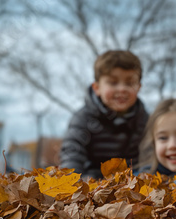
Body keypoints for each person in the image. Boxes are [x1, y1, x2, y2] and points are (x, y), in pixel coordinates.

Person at [60, 50, 148, 179]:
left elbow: (149, 156)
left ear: (139, 87)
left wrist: (145, 178)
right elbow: (72, 153)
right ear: (97, 88)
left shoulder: (144, 120)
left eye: (129, 83)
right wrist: (72, 181)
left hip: (132, 181)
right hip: (92, 180)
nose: (122, 89)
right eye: (113, 83)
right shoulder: (83, 119)